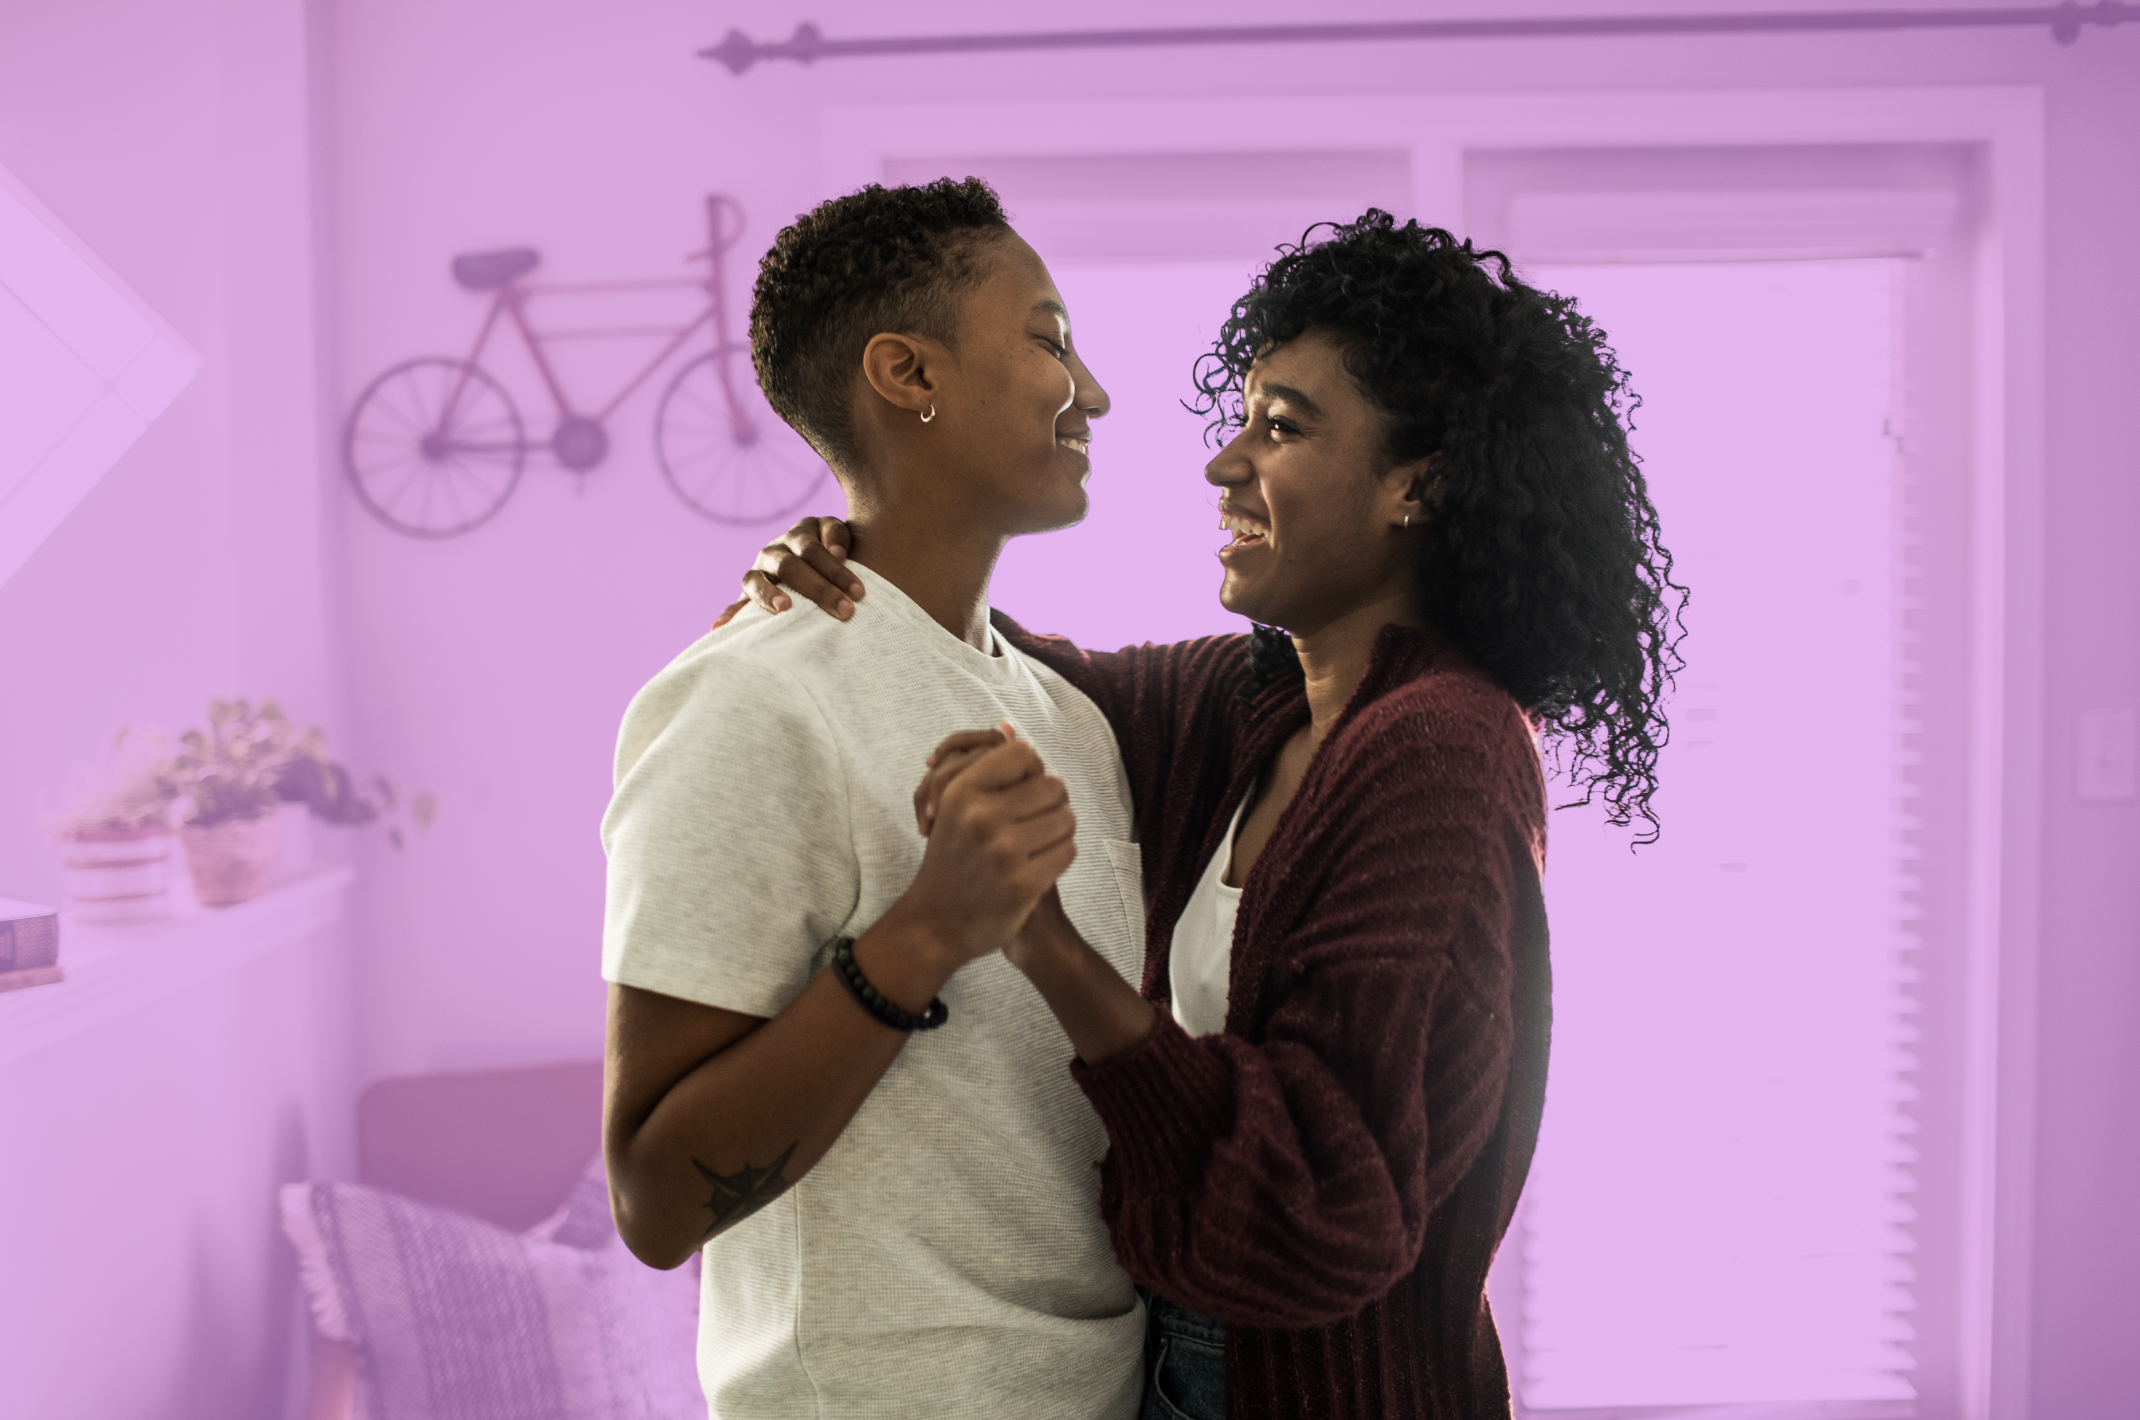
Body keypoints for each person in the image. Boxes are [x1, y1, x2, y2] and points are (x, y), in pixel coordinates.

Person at [728, 211, 1682, 1420]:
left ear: (1416, 484)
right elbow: (1005, 663)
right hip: (1177, 1361)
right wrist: (836, 568)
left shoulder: (1443, 749)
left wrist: (1046, 947)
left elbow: (1321, 1212)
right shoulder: (1248, 702)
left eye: (1281, 427)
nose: (1223, 465)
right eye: (1240, 420)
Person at [600, 178, 1155, 1419]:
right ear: (908, 373)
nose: (1094, 391)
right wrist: (923, 935)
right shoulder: (750, 700)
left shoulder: (1071, 718)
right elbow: (654, 1201)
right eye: (1051, 339)